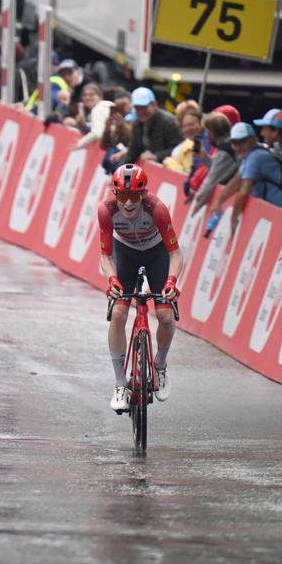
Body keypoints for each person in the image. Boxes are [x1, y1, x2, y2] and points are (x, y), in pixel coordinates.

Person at [98, 164, 182, 411]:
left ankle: (160, 364)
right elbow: (105, 255)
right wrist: (112, 279)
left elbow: (175, 253)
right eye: (122, 196)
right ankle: (120, 384)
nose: (128, 203)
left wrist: (172, 281)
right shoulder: (106, 211)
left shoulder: (157, 210)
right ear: (115, 195)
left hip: (157, 255)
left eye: (134, 195)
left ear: (144, 194)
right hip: (126, 254)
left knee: (166, 316)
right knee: (118, 314)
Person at [225, 122, 282, 235]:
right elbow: (236, 181)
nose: (238, 147)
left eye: (242, 142)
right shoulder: (248, 155)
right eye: (234, 143)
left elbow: (243, 192)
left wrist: (233, 218)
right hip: (276, 211)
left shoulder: (256, 157)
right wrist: (217, 203)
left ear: (253, 140)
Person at [120, 87, 182, 165]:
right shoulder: (137, 123)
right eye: (137, 108)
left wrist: (157, 156)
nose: (141, 111)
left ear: (154, 104)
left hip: (166, 168)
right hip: (148, 167)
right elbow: (133, 150)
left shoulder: (168, 121)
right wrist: (120, 171)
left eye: (144, 107)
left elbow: (180, 148)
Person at [162, 101, 203, 174]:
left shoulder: (198, 144)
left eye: (191, 124)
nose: (188, 129)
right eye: (185, 126)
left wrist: (170, 163)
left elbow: (187, 173)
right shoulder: (185, 144)